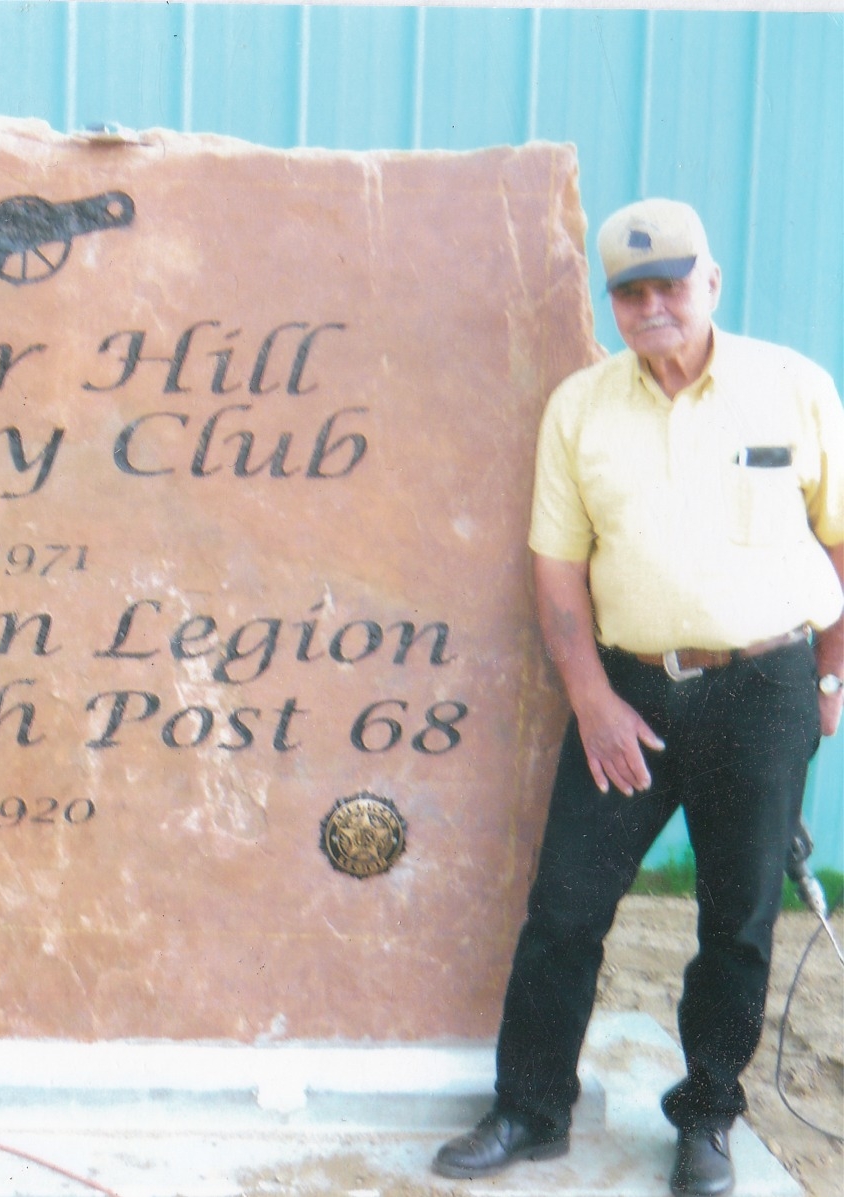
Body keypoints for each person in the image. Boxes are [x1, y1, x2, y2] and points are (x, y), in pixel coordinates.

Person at [430, 197, 844, 1196]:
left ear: (711, 283)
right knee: (566, 909)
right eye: (631, 290)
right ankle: (531, 1110)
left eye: (670, 283)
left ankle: (706, 1118)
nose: (652, 303)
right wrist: (592, 701)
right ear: (613, 301)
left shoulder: (793, 388)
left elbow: (840, 535)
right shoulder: (582, 408)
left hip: (766, 686)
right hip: (629, 695)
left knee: (737, 921)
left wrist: (830, 675)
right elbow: (558, 567)